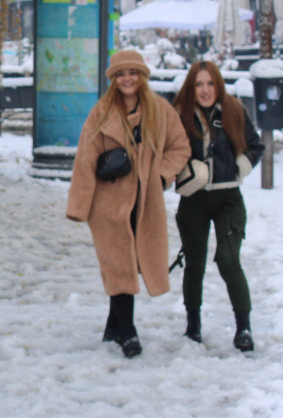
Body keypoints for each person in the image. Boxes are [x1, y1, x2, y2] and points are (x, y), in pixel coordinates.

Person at [66, 50, 191, 358]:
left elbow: (180, 146)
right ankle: (128, 332)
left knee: (134, 263)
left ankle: (113, 326)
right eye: (121, 74)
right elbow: (85, 159)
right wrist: (79, 206)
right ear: (113, 79)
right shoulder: (102, 112)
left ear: (142, 76)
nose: (127, 79)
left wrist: (161, 178)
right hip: (108, 204)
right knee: (119, 265)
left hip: (145, 203)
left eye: (133, 73)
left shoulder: (160, 111)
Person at [171, 61, 265, 352]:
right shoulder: (179, 114)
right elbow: (168, 150)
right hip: (194, 197)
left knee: (228, 260)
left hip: (228, 197)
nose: (205, 90)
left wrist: (242, 165)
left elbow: (255, 146)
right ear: (191, 87)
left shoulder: (234, 110)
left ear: (218, 85)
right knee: (194, 264)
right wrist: (184, 169)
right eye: (199, 84)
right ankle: (193, 326)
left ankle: (244, 327)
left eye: (210, 83)